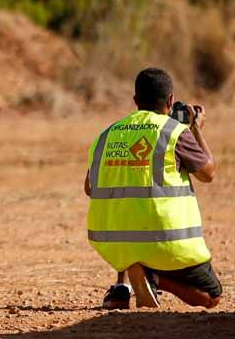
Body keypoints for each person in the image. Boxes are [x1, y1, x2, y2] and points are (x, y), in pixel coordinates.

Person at [85, 68, 223, 310]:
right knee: (211, 296)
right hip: (166, 242)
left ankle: (122, 287)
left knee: (128, 215)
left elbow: (89, 188)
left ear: (135, 101)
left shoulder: (107, 135)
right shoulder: (174, 131)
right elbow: (208, 173)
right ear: (171, 100)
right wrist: (196, 129)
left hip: (113, 242)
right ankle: (154, 278)